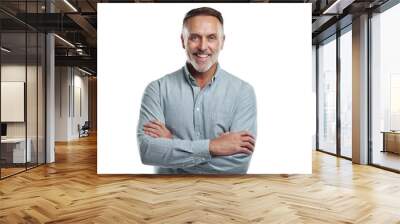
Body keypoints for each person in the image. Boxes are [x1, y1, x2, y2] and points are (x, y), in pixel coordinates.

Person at [137, 7, 257, 174]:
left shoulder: (243, 92)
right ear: (183, 41)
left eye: (211, 38)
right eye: (194, 37)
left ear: (222, 41)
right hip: (168, 196)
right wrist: (213, 147)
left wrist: (171, 143)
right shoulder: (157, 89)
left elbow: (237, 164)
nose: (202, 46)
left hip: (224, 196)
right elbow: (148, 151)